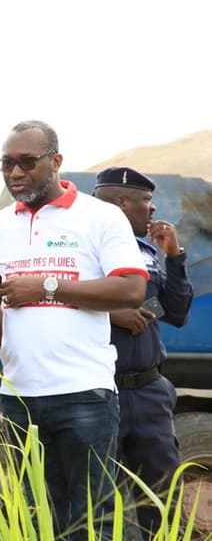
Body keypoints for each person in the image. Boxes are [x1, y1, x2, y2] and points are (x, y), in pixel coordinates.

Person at [0, 120, 148, 540]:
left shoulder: (99, 216)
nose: (15, 173)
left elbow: (132, 288)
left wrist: (48, 287)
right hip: (16, 397)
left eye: (27, 163)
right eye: (7, 164)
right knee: (28, 518)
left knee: (92, 516)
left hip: (84, 393)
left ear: (56, 161)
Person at [94, 166, 193, 537]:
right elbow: (54, 301)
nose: (151, 211)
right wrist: (109, 310)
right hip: (101, 391)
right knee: (99, 501)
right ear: (121, 203)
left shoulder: (144, 253)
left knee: (163, 499)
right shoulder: (79, 247)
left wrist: (175, 258)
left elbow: (177, 314)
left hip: (150, 392)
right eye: (145, 202)